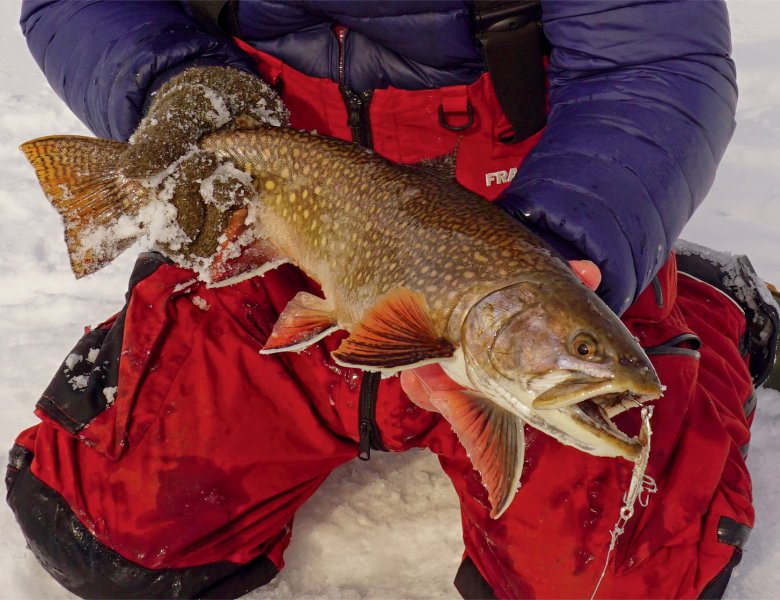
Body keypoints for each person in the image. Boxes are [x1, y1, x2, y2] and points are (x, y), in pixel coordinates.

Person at [7, 0, 777, 598]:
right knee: (108, 532)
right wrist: (169, 85)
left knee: (614, 579)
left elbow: (655, 63)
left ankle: (704, 309)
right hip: (283, 200)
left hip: (523, 213)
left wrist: (562, 241)